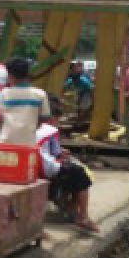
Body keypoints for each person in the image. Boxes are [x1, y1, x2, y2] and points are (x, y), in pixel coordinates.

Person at [37, 98, 98, 233]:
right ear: (52, 118)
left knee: (72, 170)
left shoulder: (34, 127)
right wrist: (63, 153)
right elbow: (56, 153)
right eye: (57, 120)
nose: (58, 123)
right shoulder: (51, 129)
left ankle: (70, 207)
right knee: (81, 174)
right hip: (46, 167)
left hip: (36, 165)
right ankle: (83, 216)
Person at [0, 57, 51, 146]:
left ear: (10, 75)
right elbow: (45, 118)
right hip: (29, 144)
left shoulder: (4, 93)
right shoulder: (40, 94)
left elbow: (0, 117)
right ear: (27, 74)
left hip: (6, 142)